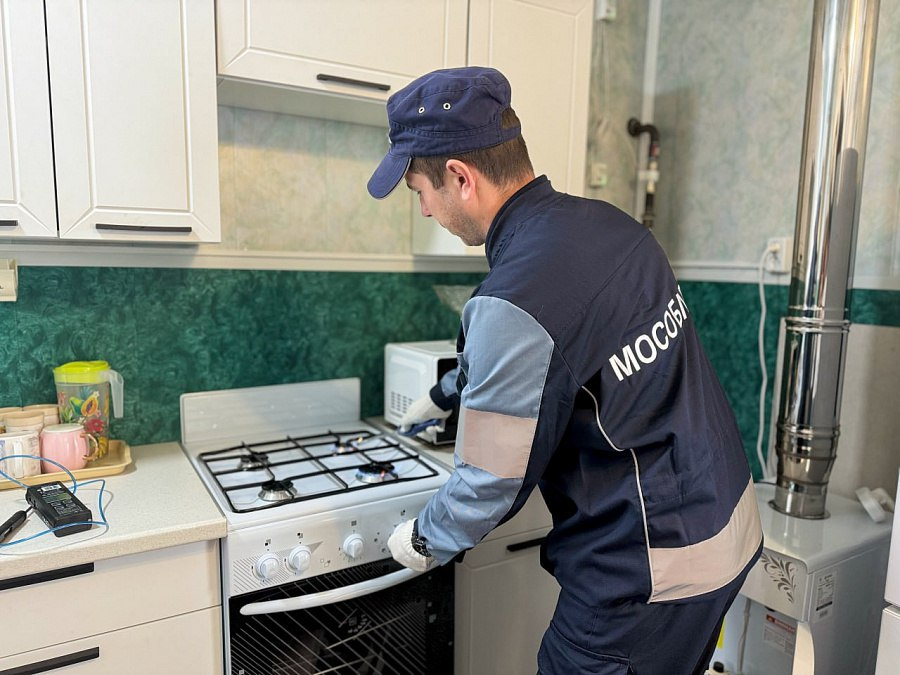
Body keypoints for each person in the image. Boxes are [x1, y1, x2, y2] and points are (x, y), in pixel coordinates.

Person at [368, 66, 763, 675]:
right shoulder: (611, 227)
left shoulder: (516, 295)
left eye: (419, 190)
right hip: (726, 525)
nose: (424, 210)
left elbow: (489, 482)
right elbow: (558, 351)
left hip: (650, 570)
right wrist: (448, 393)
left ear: (460, 178)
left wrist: (423, 539)